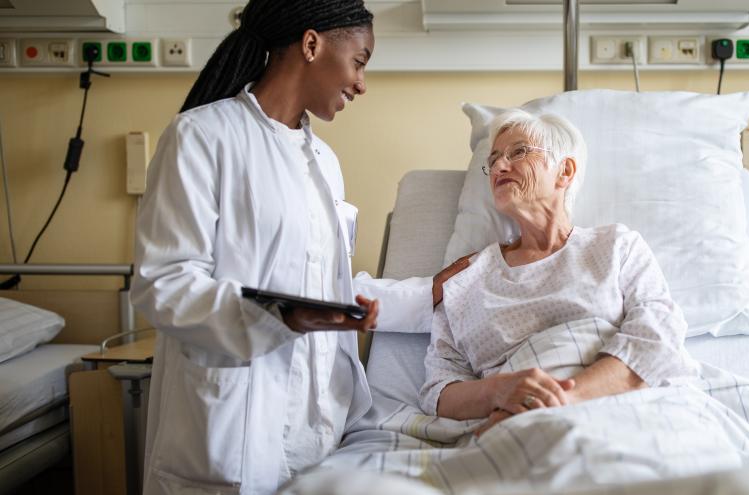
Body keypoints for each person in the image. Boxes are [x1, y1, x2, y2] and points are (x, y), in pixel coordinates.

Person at [132, 1, 467, 492]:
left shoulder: (324, 162)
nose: (361, 83)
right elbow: (164, 284)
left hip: (318, 425)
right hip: (232, 427)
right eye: (359, 61)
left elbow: (319, 283)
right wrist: (279, 314)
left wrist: (425, 294)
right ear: (311, 45)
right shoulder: (201, 137)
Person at [419, 110, 700, 433]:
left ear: (564, 171)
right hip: (511, 426)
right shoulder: (466, 280)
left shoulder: (615, 247)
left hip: (619, 412)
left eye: (518, 152)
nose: (498, 166)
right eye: (493, 159)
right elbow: (438, 391)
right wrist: (499, 392)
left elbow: (658, 337)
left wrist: (556, 404)